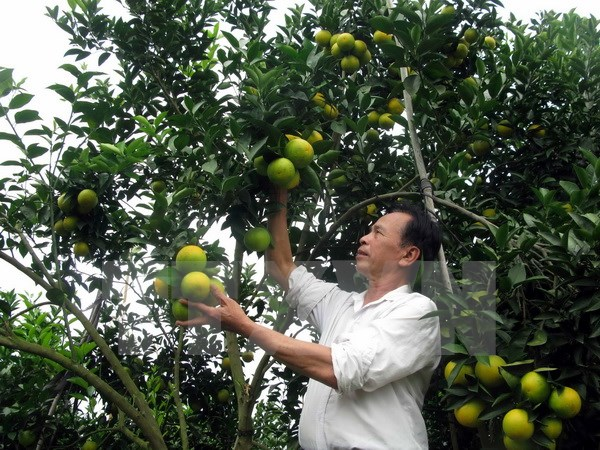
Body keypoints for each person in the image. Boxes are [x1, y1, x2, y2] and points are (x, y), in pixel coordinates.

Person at [177, 187, 443, 449]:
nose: (364, 238)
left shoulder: (419, 311)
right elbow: (282, 267)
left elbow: (342, 368)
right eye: (369, 231)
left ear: (408, 255)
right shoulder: (341, 304)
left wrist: (246, 327)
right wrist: (278, 193)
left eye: (378, 233)